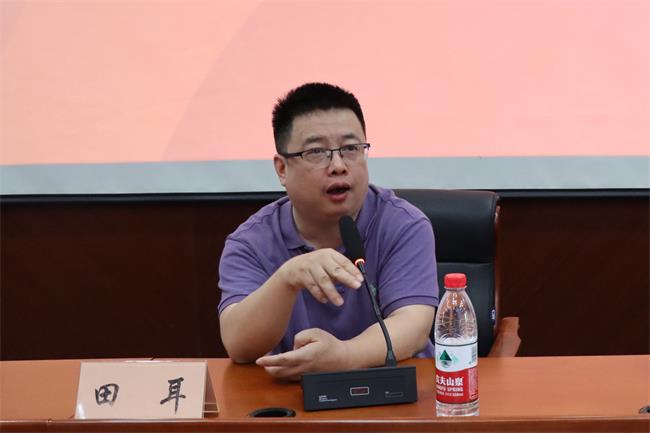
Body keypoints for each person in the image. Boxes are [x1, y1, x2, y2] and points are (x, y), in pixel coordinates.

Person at [218, 82, 438, 380]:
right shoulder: (250, 242)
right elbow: (239, 345)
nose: (338, 165)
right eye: (317, 152)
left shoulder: (403, 224)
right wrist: (286, 279)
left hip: (395, 394)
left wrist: (343, 357)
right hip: (292, 399)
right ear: (282, 169)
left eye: (350, 149)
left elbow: (413, 325)